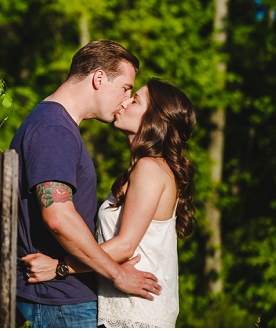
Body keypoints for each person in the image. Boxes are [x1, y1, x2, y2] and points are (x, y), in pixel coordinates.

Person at [10, 40, 162, 328]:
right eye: (126, 88)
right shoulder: (54, 129)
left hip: (63, 300)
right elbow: (58, 216)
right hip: (57, 304)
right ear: (99, 78)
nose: (125, 99)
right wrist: (117, 275)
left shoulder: (57, 126)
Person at [21, 78, 197, 328]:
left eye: (135, 100)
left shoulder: (150, 169)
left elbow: (125, 245)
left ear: (154, 120)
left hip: (137, 310)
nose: (124, 102)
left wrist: (59, 267)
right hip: (127, 306)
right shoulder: (143, 168)